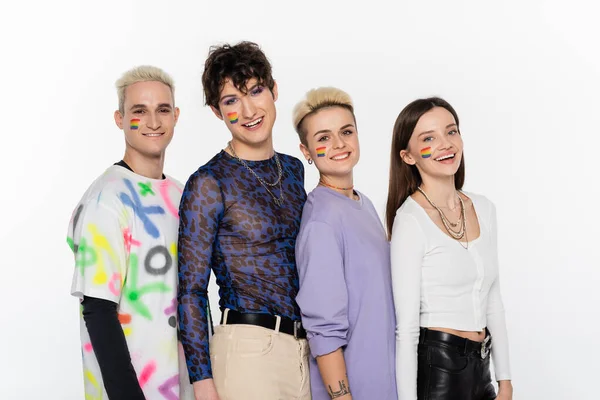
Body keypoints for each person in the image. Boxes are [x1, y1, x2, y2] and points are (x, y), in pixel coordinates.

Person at [177, 41, 310, 400]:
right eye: (232, 100)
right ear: (217, 112)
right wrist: (201, 380)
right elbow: (190, 290)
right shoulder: (209, 182)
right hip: (246, 352)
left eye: (255, 91)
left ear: (274, 90)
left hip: (304, 350)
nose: (249, 109)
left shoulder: (294, 169)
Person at [67, 65, 193, 399]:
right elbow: (97, 309)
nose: (153, 122)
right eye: (140, 111)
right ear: (120, 118)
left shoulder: (183, 195)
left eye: (162, 110)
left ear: (176, 116)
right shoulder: (106, 200)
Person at [386, 97, 513, 400]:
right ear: (408, 156)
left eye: (451, 132)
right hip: (439, 369)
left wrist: (505, 380)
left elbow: (492, 301)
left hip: (482, 369)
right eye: (428, 138)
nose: (445, 144)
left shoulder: (483, 208)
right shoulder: (410, 221)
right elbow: (406, 329)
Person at [292, 87, 398, 400]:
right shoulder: (322, 221)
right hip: (356, 390)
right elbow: (324, 333)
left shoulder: (362, 204)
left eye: (346, 131)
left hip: (386, 383)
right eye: (323, 138)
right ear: (306, 151)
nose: (339, 144)